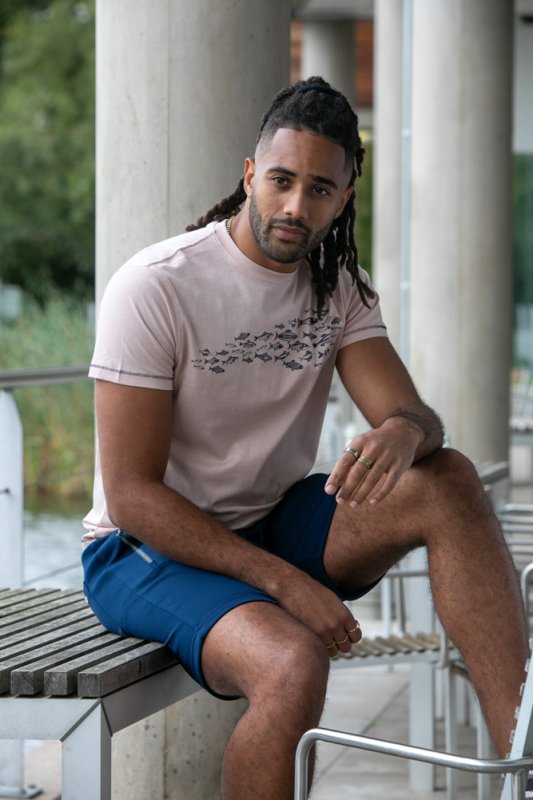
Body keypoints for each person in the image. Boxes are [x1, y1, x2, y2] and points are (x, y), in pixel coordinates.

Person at [82, 76, 529, 799]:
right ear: (250, 174)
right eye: (282, 180)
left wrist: (403, 431)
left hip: (270, 520)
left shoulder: (338, 287)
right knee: (292, 662)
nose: (296, 206)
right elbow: (131, 495)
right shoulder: (157, 285)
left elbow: (413, 416)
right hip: (144, 550)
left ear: (343, 199)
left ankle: (522, 759)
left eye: (319, 189)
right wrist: (284, 583)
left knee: (446, 478)